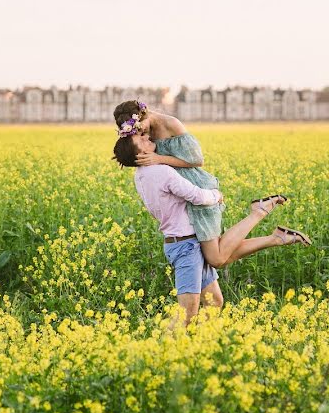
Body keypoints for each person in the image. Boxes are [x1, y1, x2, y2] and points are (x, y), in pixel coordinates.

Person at [113, 132, 310, 325]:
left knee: (214, 302)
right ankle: (162, 352)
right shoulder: (161, 172)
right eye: (142, 140)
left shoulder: (140, 176)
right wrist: (216, 195)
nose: (148, 137)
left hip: (188, 242)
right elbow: (197, 196)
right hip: (185, 247)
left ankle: (200, 347)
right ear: (139, 155)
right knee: (187, 315)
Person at [113, 100, 311, 269]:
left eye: (140, 128)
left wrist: (159, 159)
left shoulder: (171, 124)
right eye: (135, 132)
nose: (142, 133)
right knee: (217, 257)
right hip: (185, 194)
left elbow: (197, 160)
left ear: (144, 114)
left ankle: (260, 213)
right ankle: (276, 235)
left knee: (216, 258)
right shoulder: (144, 137)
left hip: (198, 191)